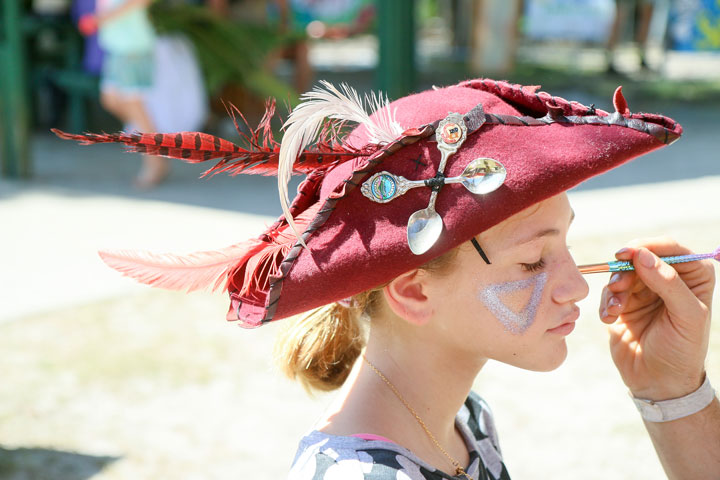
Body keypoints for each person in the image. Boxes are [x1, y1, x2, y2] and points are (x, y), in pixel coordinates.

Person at [54, 78, 719, 479]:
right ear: (410, 290)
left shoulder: (464, 421)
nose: (577, 284)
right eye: (531, 261)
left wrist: (673, 389)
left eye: (566, 244)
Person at [79, 0, 170, 188]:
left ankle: (155, 161)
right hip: (116, 49)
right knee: (110, 100)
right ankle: (153, 141)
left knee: (134, 104)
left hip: (132, 48)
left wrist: (105, 17)